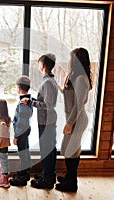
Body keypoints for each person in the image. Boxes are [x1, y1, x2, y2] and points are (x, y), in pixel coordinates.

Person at [55, 47, 92, 192]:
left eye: (71, 58)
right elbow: (69, 94)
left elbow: (79, 104)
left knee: (72, 150)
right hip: (72, 118)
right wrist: (59, 87)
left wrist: (70, 123)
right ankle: (69, 176)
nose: (69, 61)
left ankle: (72, 182)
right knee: (69, 149)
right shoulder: (76, 76)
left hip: (77, 120)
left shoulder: (81, 79)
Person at [20, 53, 58, 189]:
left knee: (46, 150)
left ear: (43, 65)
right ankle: (48, 174)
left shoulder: (47, 82)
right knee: (50, 149)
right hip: (49, 120)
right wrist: (33, 101)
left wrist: (30, 102)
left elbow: (48, 105)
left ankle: (47, 180)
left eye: (39, 64)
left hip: (46, 121)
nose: (38, 66)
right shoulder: (51, 80)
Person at [9, 75, 33, 186]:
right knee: (26, 151)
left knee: (23, 154)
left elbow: (21, 122)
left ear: (19, 87)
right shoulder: (28, 99)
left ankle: (22, 178)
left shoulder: (23, 102)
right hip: (26, 129)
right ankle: (25, 172)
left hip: (22, 131)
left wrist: (16, 136)